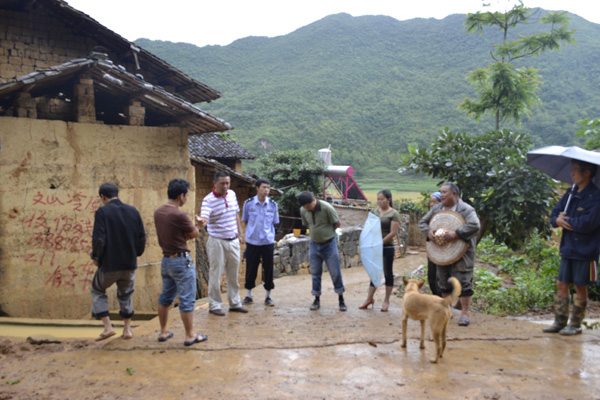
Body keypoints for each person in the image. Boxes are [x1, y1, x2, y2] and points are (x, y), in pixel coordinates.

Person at [543, 160, 600, 336]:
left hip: (585, 249)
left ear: (587, 173)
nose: (572, 174)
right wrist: (557, 220)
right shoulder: (570, 194)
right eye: (571, 170)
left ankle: (575, 324)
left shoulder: (596, 197)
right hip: (568, 247)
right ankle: (559, 322)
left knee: (580, 286)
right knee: (561, 283)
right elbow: (554, 214)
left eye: (575, 170)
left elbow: (589, 223)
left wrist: (565, 221)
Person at [154, 178, 207, 346]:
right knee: (187, 299)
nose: (187, 198)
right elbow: (194, 235)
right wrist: (200, 225)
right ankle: (190, 335)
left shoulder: (158, 211)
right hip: (181, 261)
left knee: (165, 297)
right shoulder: (180, 214)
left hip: (166, 261)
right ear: (181, 195)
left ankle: (163, 332)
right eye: (186, 195)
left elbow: (174, 234)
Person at [90, 182, 146, 341]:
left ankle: (108, 327)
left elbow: (99, 240)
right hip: (129, 264)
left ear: (102, 197)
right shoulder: (133, 211)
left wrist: (96, 258)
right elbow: (142, 237)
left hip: (109, 264)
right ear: (117, 194)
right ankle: (127, 330)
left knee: (97, 289)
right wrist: (136, 254)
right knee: (126, 294)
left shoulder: (102, 212)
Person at [419, 182, 480, 327]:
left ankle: (465, 313)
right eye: (440, 192)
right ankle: (448, 310)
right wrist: (429, 231)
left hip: (462, 252)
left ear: (454, 194)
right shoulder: (437, 208)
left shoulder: (466, 209)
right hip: (441, 251)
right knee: (443, 282)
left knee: (464, 283)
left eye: (445, 192)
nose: (441, 195)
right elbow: (423, 222)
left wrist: (456, 233)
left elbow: (475, 225)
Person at [200, 170, 247, 316]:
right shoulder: (208, 200)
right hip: (216, 242)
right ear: (214, 183)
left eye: (228, 183)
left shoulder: (232, 195)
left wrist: (239, 233)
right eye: (222, 183)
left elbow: (235, 214)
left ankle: (235, 303)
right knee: (216, 274)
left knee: (233, 275)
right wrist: (202, 221)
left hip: (233, 240)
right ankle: (214, 305)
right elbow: (205, 218)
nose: (226, 186)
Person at [298, 191, 347, 311]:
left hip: (329, 244)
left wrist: (327, 234)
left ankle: (341, 299)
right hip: (314, 244)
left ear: (314, 200)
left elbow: (337, 223)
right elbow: (308, 225)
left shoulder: (327, 208)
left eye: (309, 206)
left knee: (335, 272)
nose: (307, 209)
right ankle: (316, 299)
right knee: (315, 273)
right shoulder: (303, 210)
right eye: (305, 207)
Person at [359, 189, 401, 312]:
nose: (379, 201)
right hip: (374, 247)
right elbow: (369, 228)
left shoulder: (394, 214)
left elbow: (393, 232)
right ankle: (369, 299)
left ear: (389, 200)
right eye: (378, 199)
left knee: (388, 273)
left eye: (382, 199)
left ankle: (386, 300)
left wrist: (380, 243)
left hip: (386, 247)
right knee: (374, 272)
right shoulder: (374, 212)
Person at [241, 178, 280, 307]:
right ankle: (249, 295)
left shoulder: (273, 205)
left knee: (268, 269)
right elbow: (245, 220)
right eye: (264, 187)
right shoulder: (248, 204)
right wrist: (251, 233)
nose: (266, 190)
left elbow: (274, 222)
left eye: (268, 188)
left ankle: (268, 296)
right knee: (251, 268)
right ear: (257, 188)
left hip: (267, 241)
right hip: (252, 241)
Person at [427, 192, 443, 297]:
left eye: (435, 202)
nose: (432, 204)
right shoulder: (429, 217)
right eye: (431, 202)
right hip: (431, 251)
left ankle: (441, 299)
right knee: (431, 275)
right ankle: (436, 297)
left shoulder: (445, 217)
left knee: (441, 276)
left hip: (443, 252)